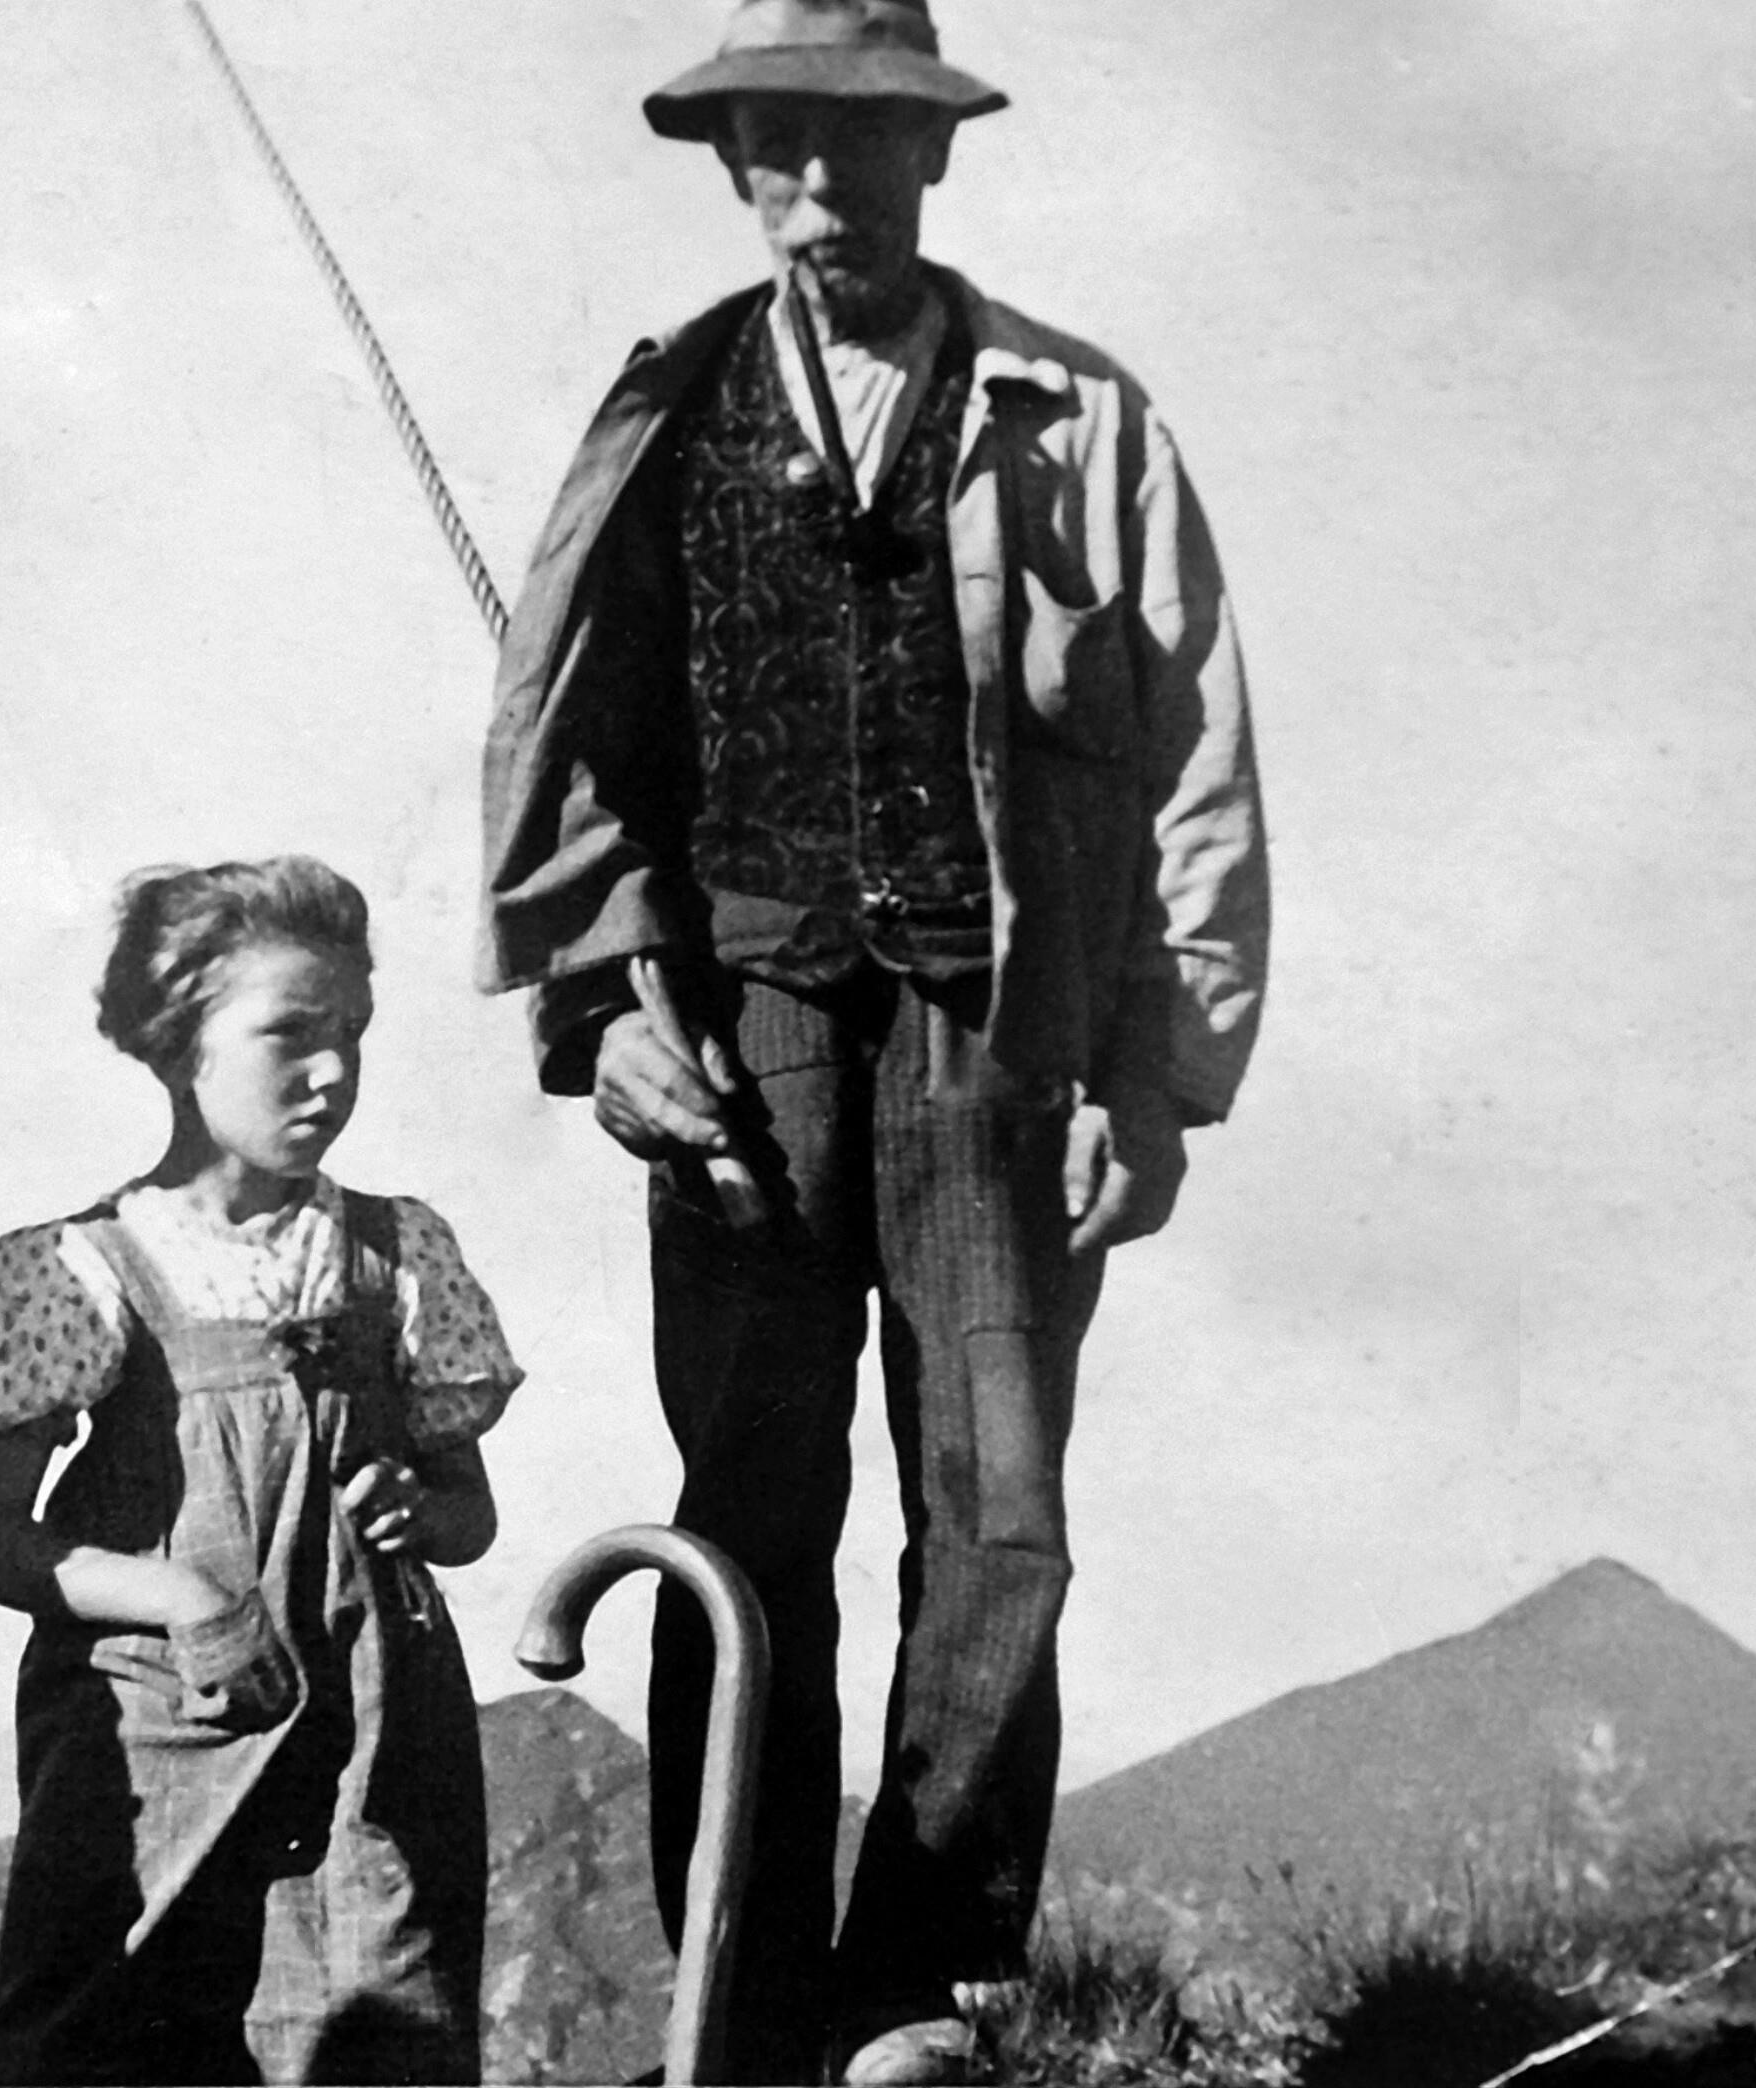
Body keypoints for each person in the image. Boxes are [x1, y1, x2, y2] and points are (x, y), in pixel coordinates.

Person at [477, 3, 1270, 2079]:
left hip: (1001, 1035)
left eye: (861, 141)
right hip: (740, 1033)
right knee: (744, 1504)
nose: (820, 184)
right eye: (779, 143)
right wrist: (598, 1011)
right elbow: (575, 751)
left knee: (999, 1512)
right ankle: (734, 2000)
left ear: (937, 153)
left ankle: (923, 1983)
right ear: (735, 163)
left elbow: (1194, 768)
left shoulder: (1079, 422)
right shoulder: (663, 416)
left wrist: (1156, 1083)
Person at [0, 857, 522, 2085]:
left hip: (377, 1740)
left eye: (354, 1031)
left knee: (384, 2028)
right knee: (117, 2035)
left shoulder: (397, 1254)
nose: (334, 1070)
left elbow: (471, 1520)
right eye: (291, 1033)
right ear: (178, 1041)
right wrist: (183, 1595)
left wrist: (424, 1508)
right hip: (159, 1732)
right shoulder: (78, 1270)